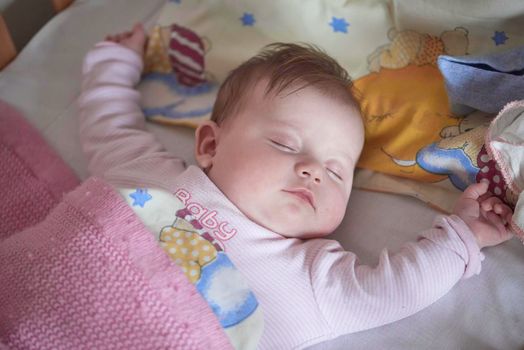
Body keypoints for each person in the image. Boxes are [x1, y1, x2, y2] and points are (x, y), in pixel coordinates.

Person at [79, 23, 514, 349]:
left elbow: (396, 288)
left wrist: (464, 234)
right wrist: (114, 62)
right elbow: (109, 126)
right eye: (285, 144)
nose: (313, 171)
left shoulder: (311, 279)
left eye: (338, 172)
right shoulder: (153, 176)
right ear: (211, 144)